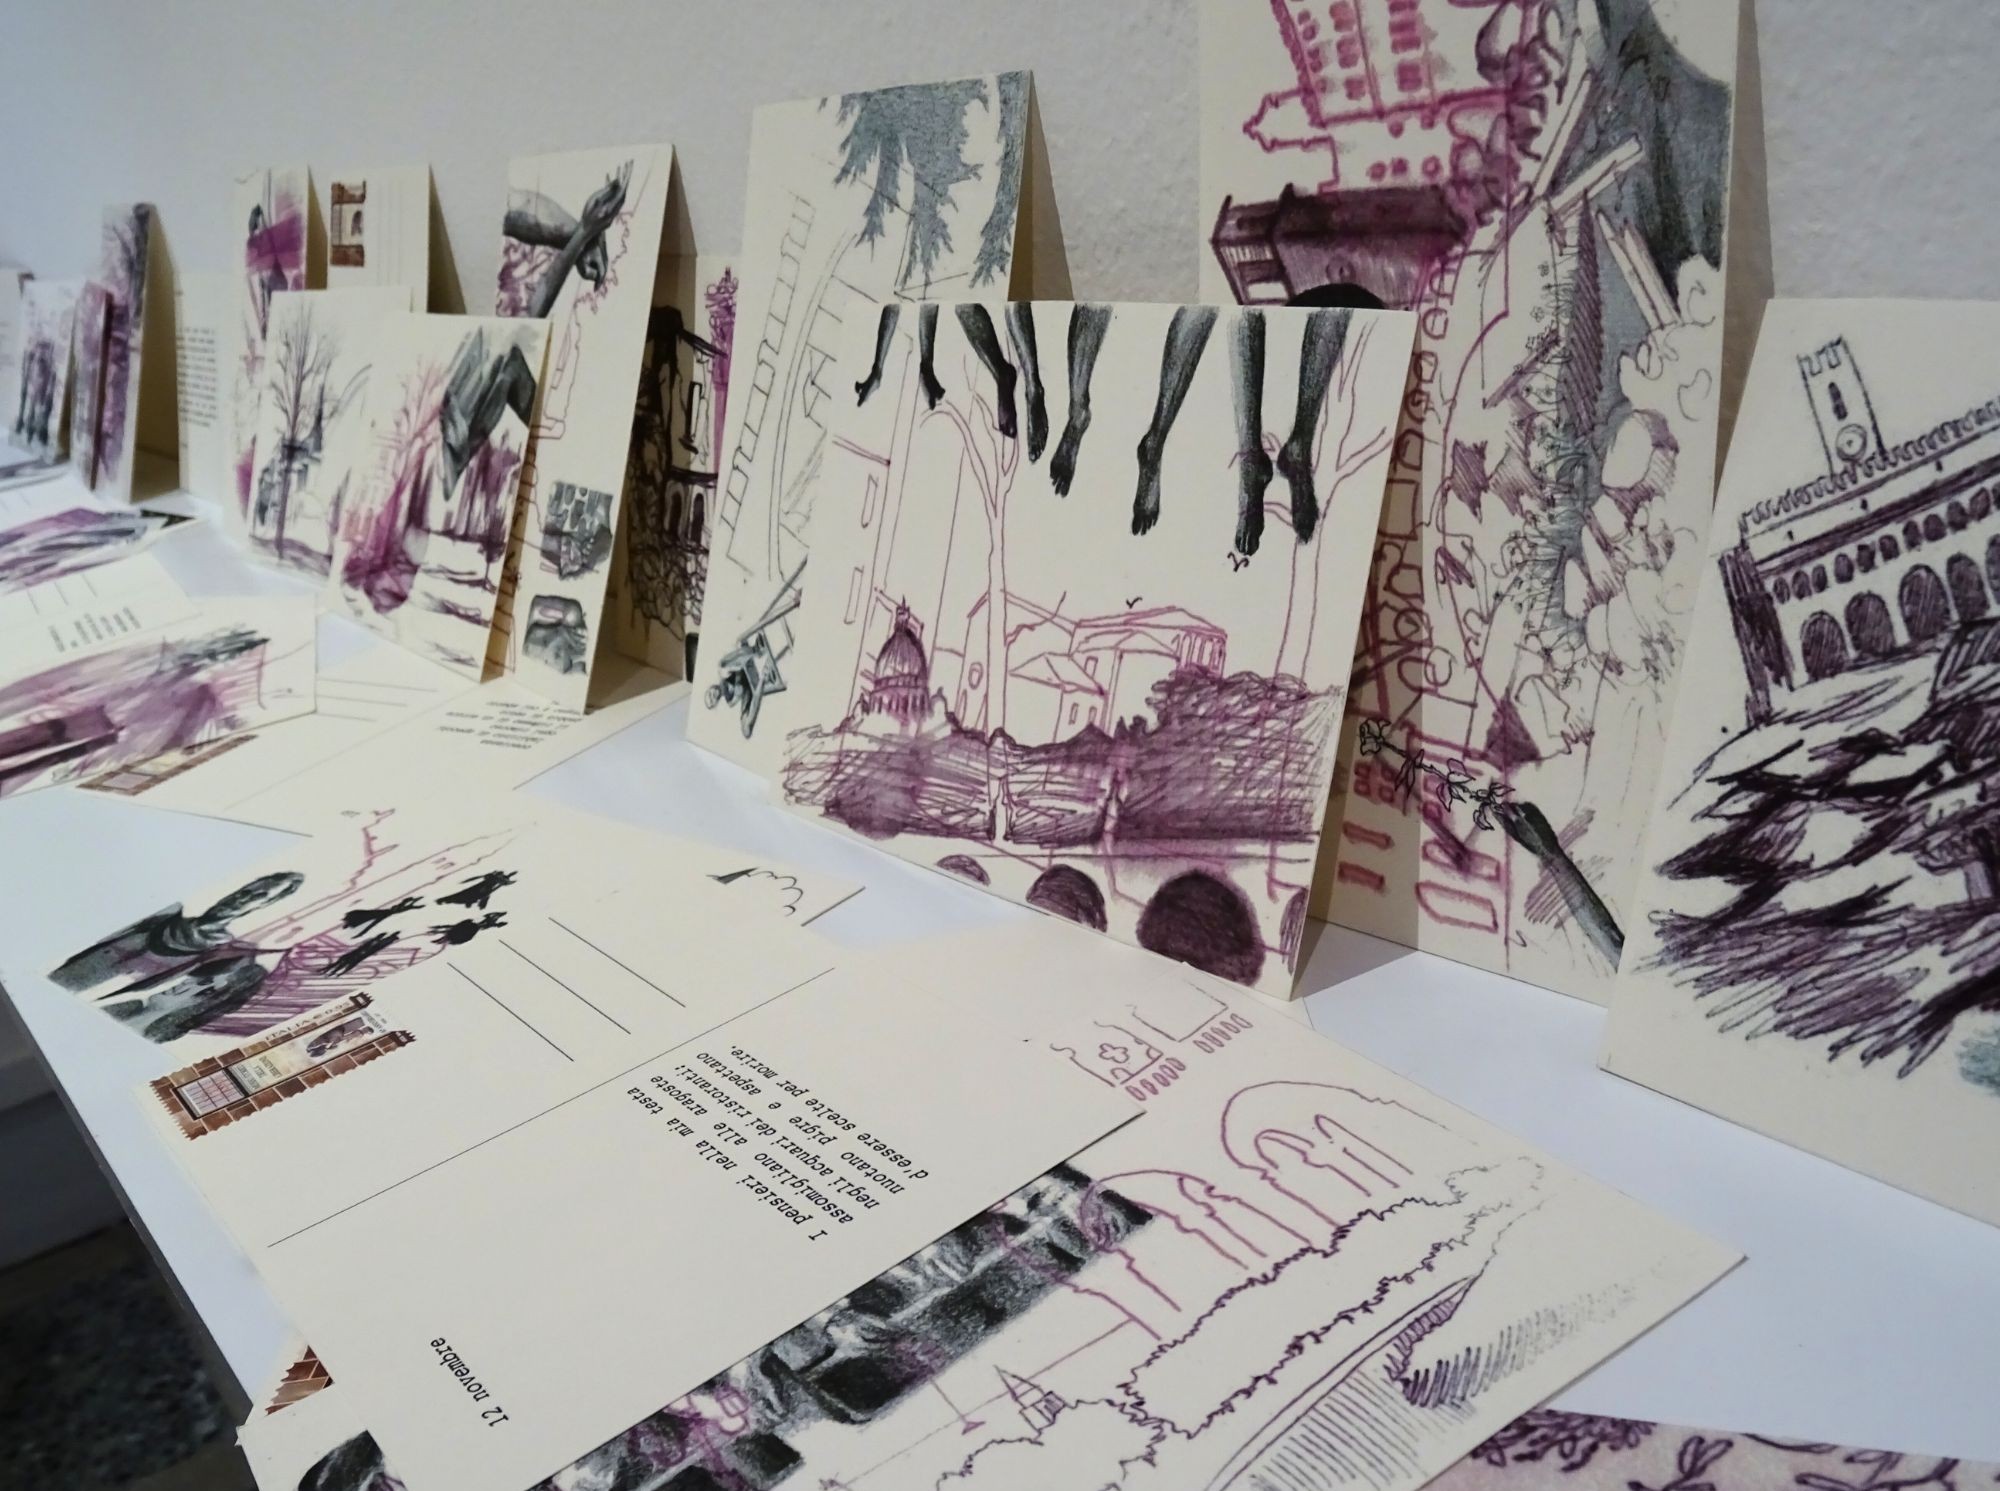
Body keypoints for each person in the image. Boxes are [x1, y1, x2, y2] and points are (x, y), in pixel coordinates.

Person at [51, 872, 304, 995]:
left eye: (258, 896)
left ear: (266, 905)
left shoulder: (224, 953)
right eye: (246, 890)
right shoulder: (169, 910)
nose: (242, 898)